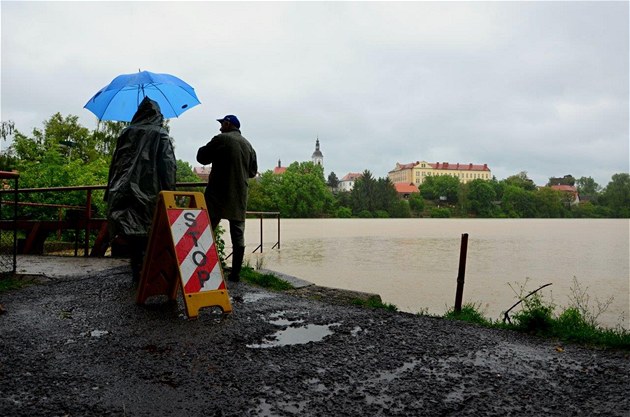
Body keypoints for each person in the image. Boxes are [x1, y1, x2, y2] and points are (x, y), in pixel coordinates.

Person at [105, 96, 177, 283]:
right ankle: (149, 273)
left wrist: (110, 190)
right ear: (158, 114)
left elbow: (115, 164)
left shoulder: (125, 132)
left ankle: (137, 272)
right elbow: (168, 167)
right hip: (152, 192)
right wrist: (170, 193)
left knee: (132, 231)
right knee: (150, 231)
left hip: (123, 190)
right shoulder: (160, 134)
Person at [196, 115, 258, 282]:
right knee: (238, 235)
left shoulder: (221, 139)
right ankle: (235, 273)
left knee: (206, 231)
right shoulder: (248, 145)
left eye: (222, 124)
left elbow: (201, 157)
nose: (220, 128)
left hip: (217, 194)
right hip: (239, 195)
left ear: (228, 124)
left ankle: (200, 267)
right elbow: (252, 172)